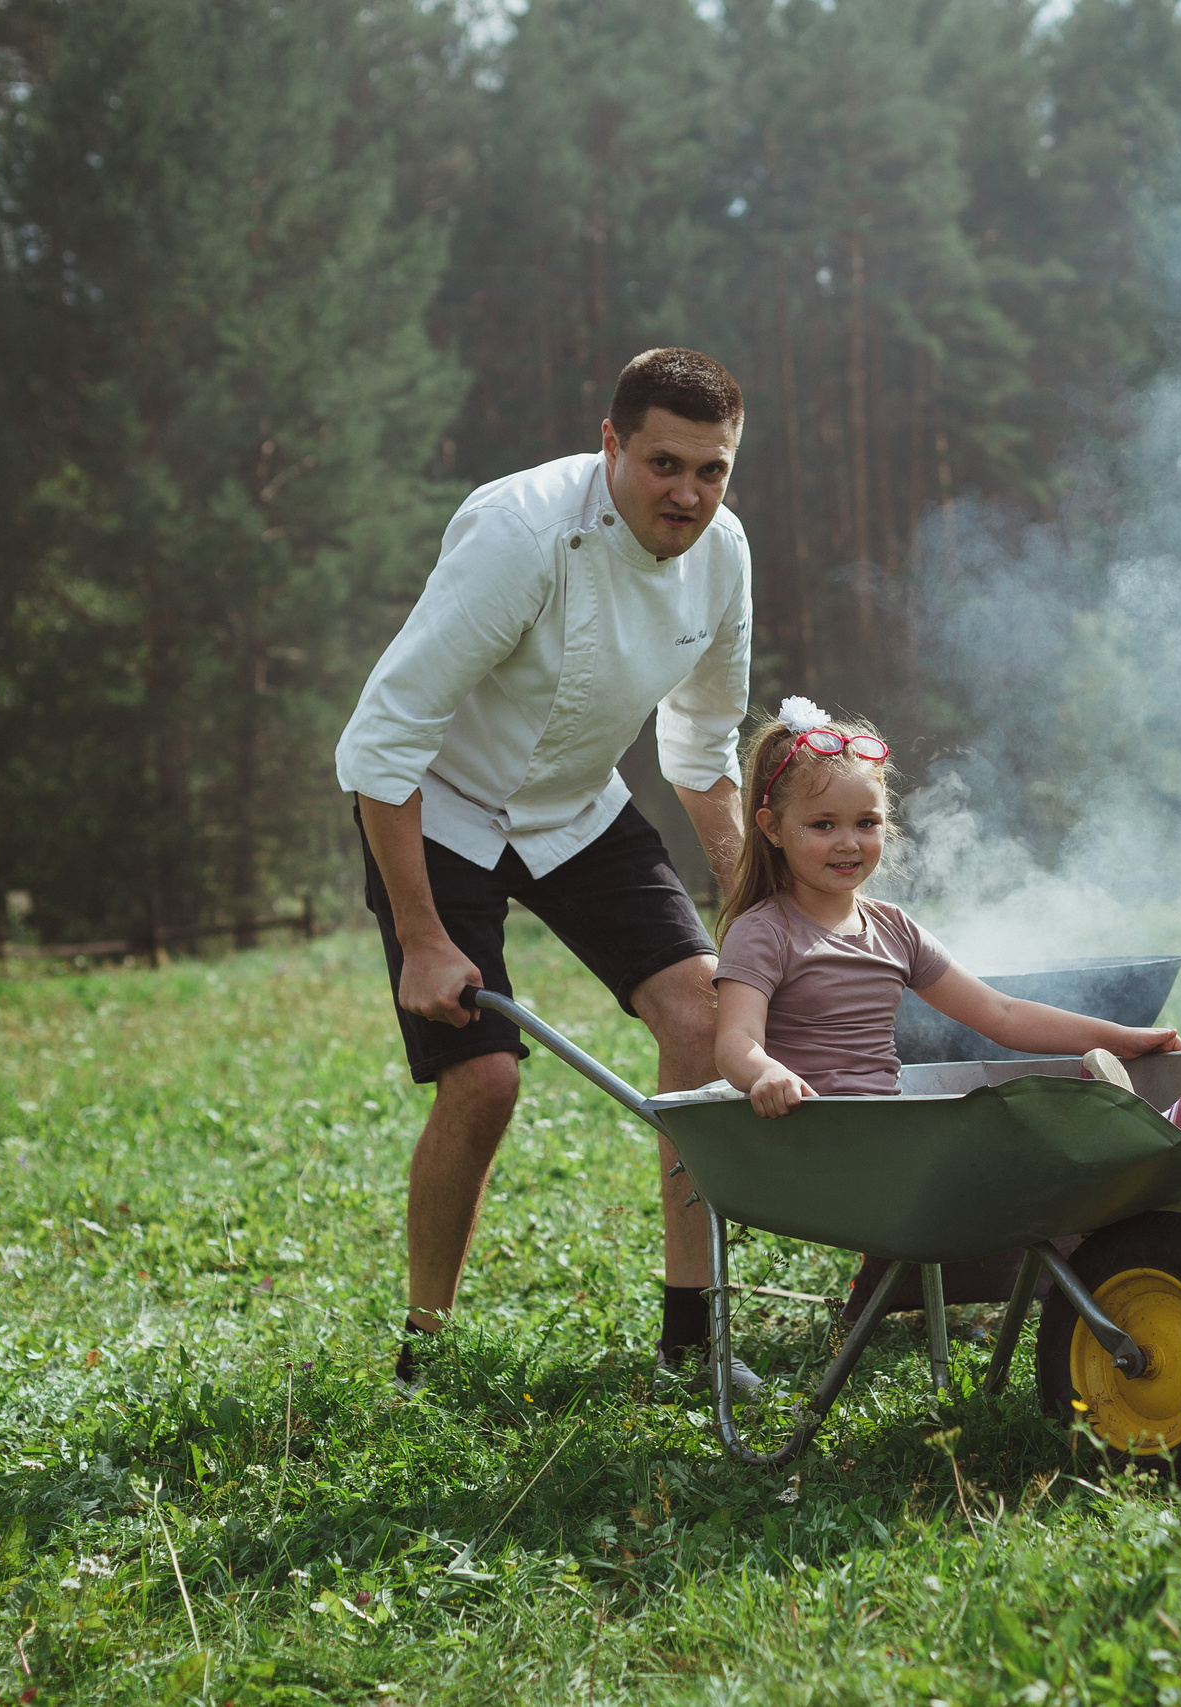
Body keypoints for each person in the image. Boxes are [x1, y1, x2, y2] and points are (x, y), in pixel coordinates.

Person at [336, 348, 756, 1393]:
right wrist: (425, 940)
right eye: (665, 464)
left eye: (712, 471)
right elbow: (379, 746)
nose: (688, 494)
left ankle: (689, 1338)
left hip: (575, 806)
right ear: (610, 444)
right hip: (441, 807)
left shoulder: (723, 554)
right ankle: (422, 1354)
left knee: (705, 1019)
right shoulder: (519, 534)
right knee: (482, 1083)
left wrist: (754, 912)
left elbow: (702, 748)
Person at [710, 698, 1181, 1139]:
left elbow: (1001, 1013)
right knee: (1017, 1138)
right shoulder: (764, 932)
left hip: (887, 1134)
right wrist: (764, 1073)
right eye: (822, 825)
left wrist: (1122, 1038)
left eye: (867, 822)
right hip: (824, 1137)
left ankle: (1161, 1124)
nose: (849, 843)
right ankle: (1164, 1123)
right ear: (771, 827)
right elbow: (735, 1038)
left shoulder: (893, 929)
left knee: (1021, 1123)